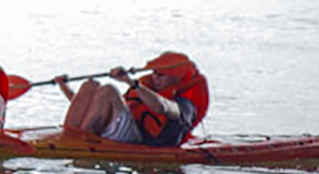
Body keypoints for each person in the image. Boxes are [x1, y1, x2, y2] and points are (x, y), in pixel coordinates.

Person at [55, 52, 211, 146]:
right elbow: (97, 108)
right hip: (122, 129)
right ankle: (71, 134)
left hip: (139, 140)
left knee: (108, 90)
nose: (155, 77)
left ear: (177, 78)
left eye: (161, 74)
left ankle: (78, 138)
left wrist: (130, 82)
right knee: (90, 85)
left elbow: (162, 107)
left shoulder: (185, 105)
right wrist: (64, 88)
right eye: (154, 72)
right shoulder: (148, 87)